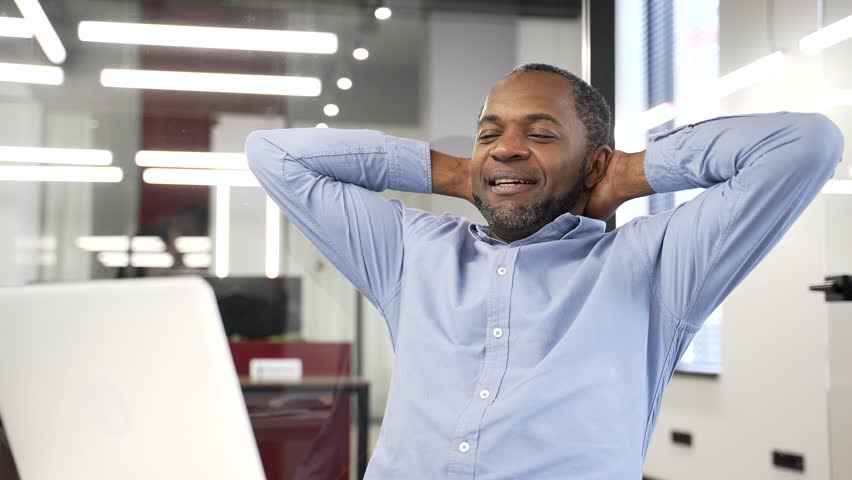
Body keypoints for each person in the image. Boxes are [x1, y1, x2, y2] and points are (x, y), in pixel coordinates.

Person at [245, 63, 844, 479]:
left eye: (541, 134)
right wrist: (461, 173)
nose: (505, 148)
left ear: (594, 161)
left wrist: (630, 173)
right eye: (489, 134)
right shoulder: (412, 249)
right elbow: (274, 155)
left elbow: (804, 143)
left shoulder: (654, 267)